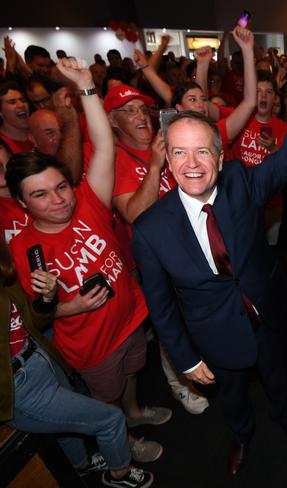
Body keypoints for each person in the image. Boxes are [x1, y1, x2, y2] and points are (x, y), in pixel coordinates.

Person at [131, 59, 287, 476]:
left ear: (219, 155)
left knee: (278, 375)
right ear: (167, 159)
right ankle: (242, 436)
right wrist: (186, 359)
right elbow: (161, 307)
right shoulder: (150, 230)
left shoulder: (241, 182)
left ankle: (284, 418)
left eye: (201, 151)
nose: (191, 163)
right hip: (214, 333)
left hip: (267, 312)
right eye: (179, 152)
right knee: (232, 396)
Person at [7, 58, 168, 463]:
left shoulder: (87, 204)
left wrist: (85, 86)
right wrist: (69, 306)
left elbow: (105, 142)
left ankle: (134, 414)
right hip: (93, 344)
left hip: (129, 316)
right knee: (105, 396)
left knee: (133, 374)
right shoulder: (26, 248)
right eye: (41, 195)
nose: (58, 199)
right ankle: (123, 439)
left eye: (61, 186)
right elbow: (37, 313)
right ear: (24, 203)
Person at [0, 238, 154, 488]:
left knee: (63, 427)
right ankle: (120, 474)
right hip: (19, 384)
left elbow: (34, 320)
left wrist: (48, 297)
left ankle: (81, 464)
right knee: (110, 419)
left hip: (38, 355)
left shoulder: (4, 272)